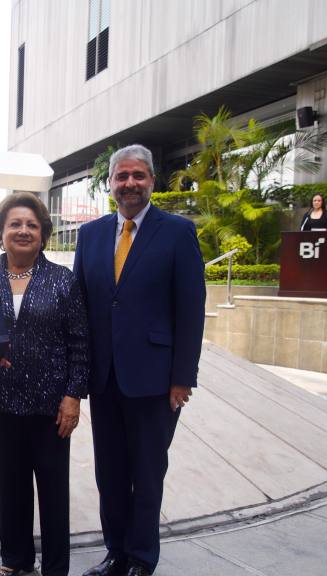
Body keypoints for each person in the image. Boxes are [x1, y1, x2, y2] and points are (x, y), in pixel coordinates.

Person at [73, 145, 205, 576]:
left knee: (147, 473)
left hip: (155, 379)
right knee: (110, 473)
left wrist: (183, 377)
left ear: (152, 180)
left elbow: (191, 309)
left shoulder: (177, 232)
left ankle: (142, 557)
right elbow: (81, 307)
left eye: (138, 175)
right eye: (122, 176)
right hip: (104, 377)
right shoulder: (90, 235)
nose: (130, 183)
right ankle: (115, 552)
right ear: (110, 183)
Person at [0, 192, 88, 576]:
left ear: (43, 234)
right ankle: (16, 562)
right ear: (1, 233)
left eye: (31, 225)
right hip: (1, 400)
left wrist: (73, 395)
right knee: (11, 487)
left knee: (53, 492)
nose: (23, 231)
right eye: (14, 224)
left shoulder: (62, 279)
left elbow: (80, 343)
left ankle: (55, 568)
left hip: (51, 407)